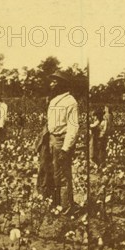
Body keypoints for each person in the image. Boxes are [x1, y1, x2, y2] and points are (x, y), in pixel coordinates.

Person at [47, 70, 79, 215]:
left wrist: (66, 148)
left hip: (62, 140)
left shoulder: (71, 101)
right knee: (54, 174)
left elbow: (73, 127)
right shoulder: (54, 100)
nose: (51, 84)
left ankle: (66, 206)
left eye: (54, 81)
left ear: (61, 84)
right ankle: (57, 203)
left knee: (64, 174)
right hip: (52, 139)